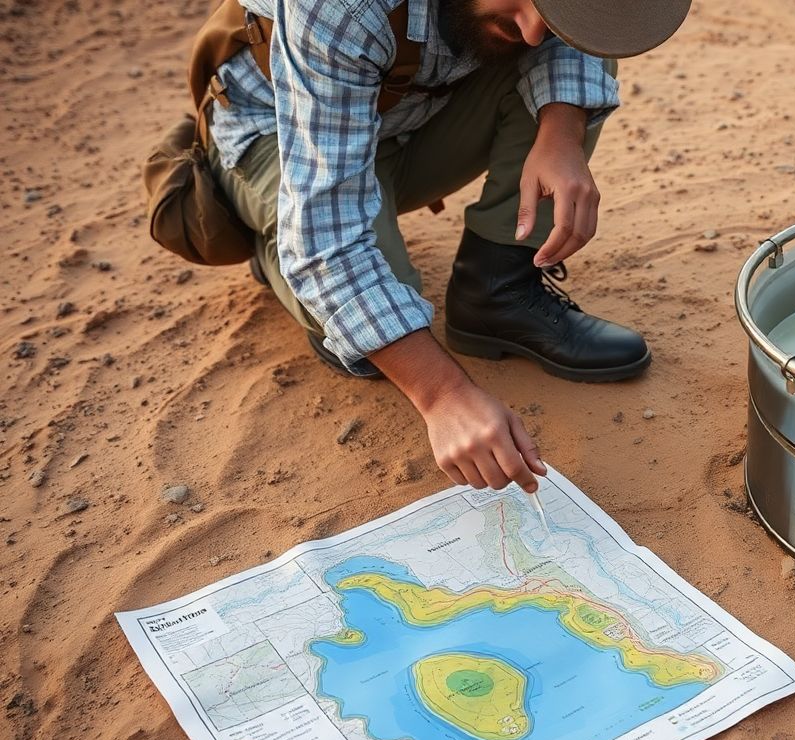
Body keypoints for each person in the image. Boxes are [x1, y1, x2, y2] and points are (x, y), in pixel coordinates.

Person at [203, 0, 690, 494]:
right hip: (285, 139)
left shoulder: (533, 22)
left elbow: (565, 32)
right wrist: (443, 394)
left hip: (412, 122)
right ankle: (273, 242)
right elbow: (325, 239)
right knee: (371, 342)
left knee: (588, 32)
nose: (533, 33)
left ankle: (494, 291)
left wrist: (562, 130)